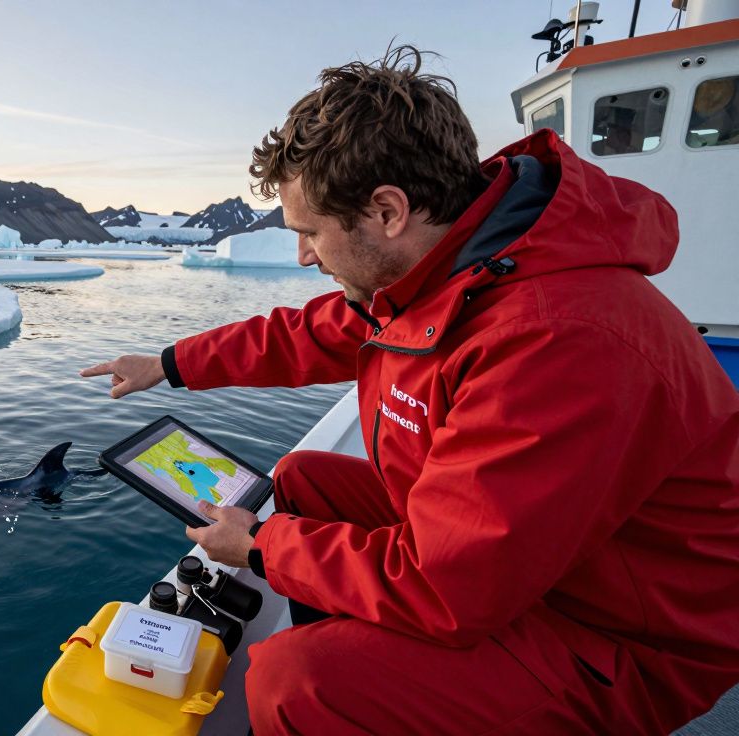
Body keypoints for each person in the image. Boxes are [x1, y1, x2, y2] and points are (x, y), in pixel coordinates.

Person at [81, 45, 739, 734]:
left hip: (617, 635)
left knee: (295, 681)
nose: (304, 256)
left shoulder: (555, 336)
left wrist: (263, 547)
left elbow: (450, 585)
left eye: (310, 233)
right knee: (302, 477)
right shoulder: (459, 267)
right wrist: (169, 362)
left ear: (388, 211)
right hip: (542, 564)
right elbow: (311, 333)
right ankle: (382, 665)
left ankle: (359, 690)